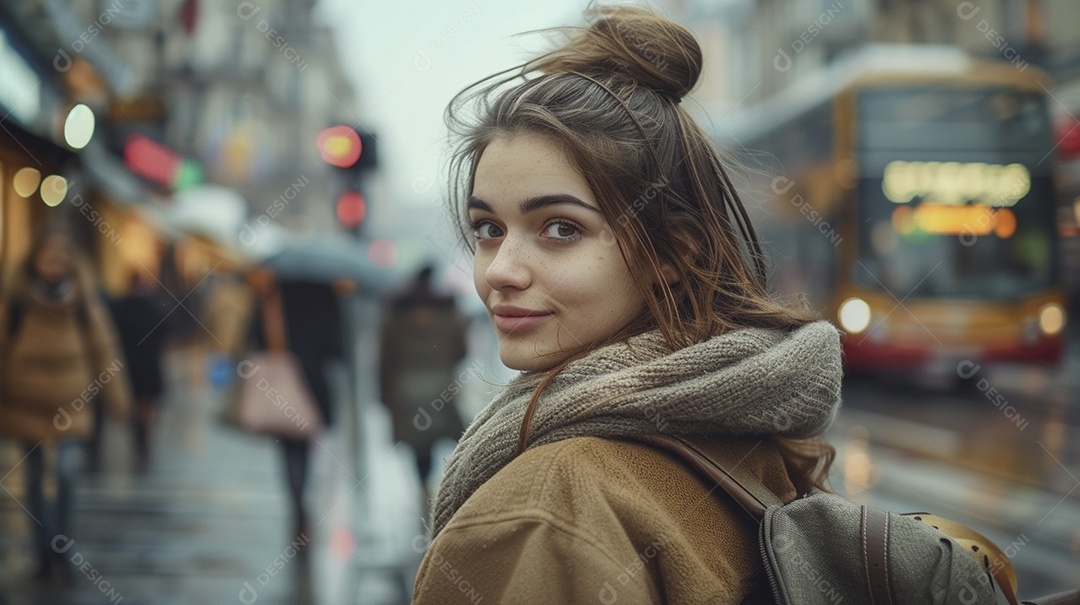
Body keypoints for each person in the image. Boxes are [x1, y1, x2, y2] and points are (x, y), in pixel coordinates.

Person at [412, 7, 843, 603]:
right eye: (489, 228)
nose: (500, 271)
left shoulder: (545, 513)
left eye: (561, 229)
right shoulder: (751, 433)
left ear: (671, 253)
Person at [0, 228, 132, 583]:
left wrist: (119, 401)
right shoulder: (16, 305)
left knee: (67, 473)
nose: (54, 266)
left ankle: (62, 548)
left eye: (61, 259)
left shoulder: (84, 306)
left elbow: (105, 351)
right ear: (34, 262)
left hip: (73, 406)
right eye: (48, 259)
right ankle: (43, 551)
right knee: (33, 481)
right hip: (24, 408)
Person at [246, 268, 346, 543]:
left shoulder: (274, 296)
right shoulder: (326, 293)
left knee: (289, 449)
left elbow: (254, 337)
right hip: (313, 383)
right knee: (306, 447)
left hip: (281, 382)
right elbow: (336, 347)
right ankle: (303, 504)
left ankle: (297, 506)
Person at [379, 264, 468, 508]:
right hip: (443, 388)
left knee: (420, 447)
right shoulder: (449, 313)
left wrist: (384, 396)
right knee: (454, 438)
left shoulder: (395, 317)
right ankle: (455, 485)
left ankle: (424, 488)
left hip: (407, 390)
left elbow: (386, 360)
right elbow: (462, 351)